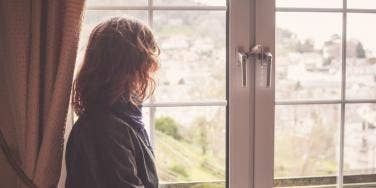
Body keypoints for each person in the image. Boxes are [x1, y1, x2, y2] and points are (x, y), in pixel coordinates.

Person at [65, 17, 160, 188]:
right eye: (147, 59)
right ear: (130, 67)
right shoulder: (107, 129)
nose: (151, 69)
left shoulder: (121, 120)